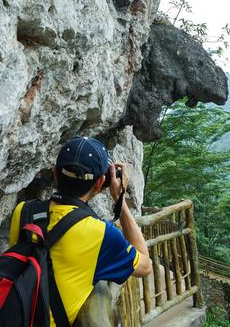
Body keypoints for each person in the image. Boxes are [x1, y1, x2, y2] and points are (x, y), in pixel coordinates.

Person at [9, 136, 152, 326]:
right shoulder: (101, 233)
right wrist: (119, 198)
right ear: (100, 183)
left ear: (55, 173)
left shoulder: (24, 211)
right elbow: (145, 266)